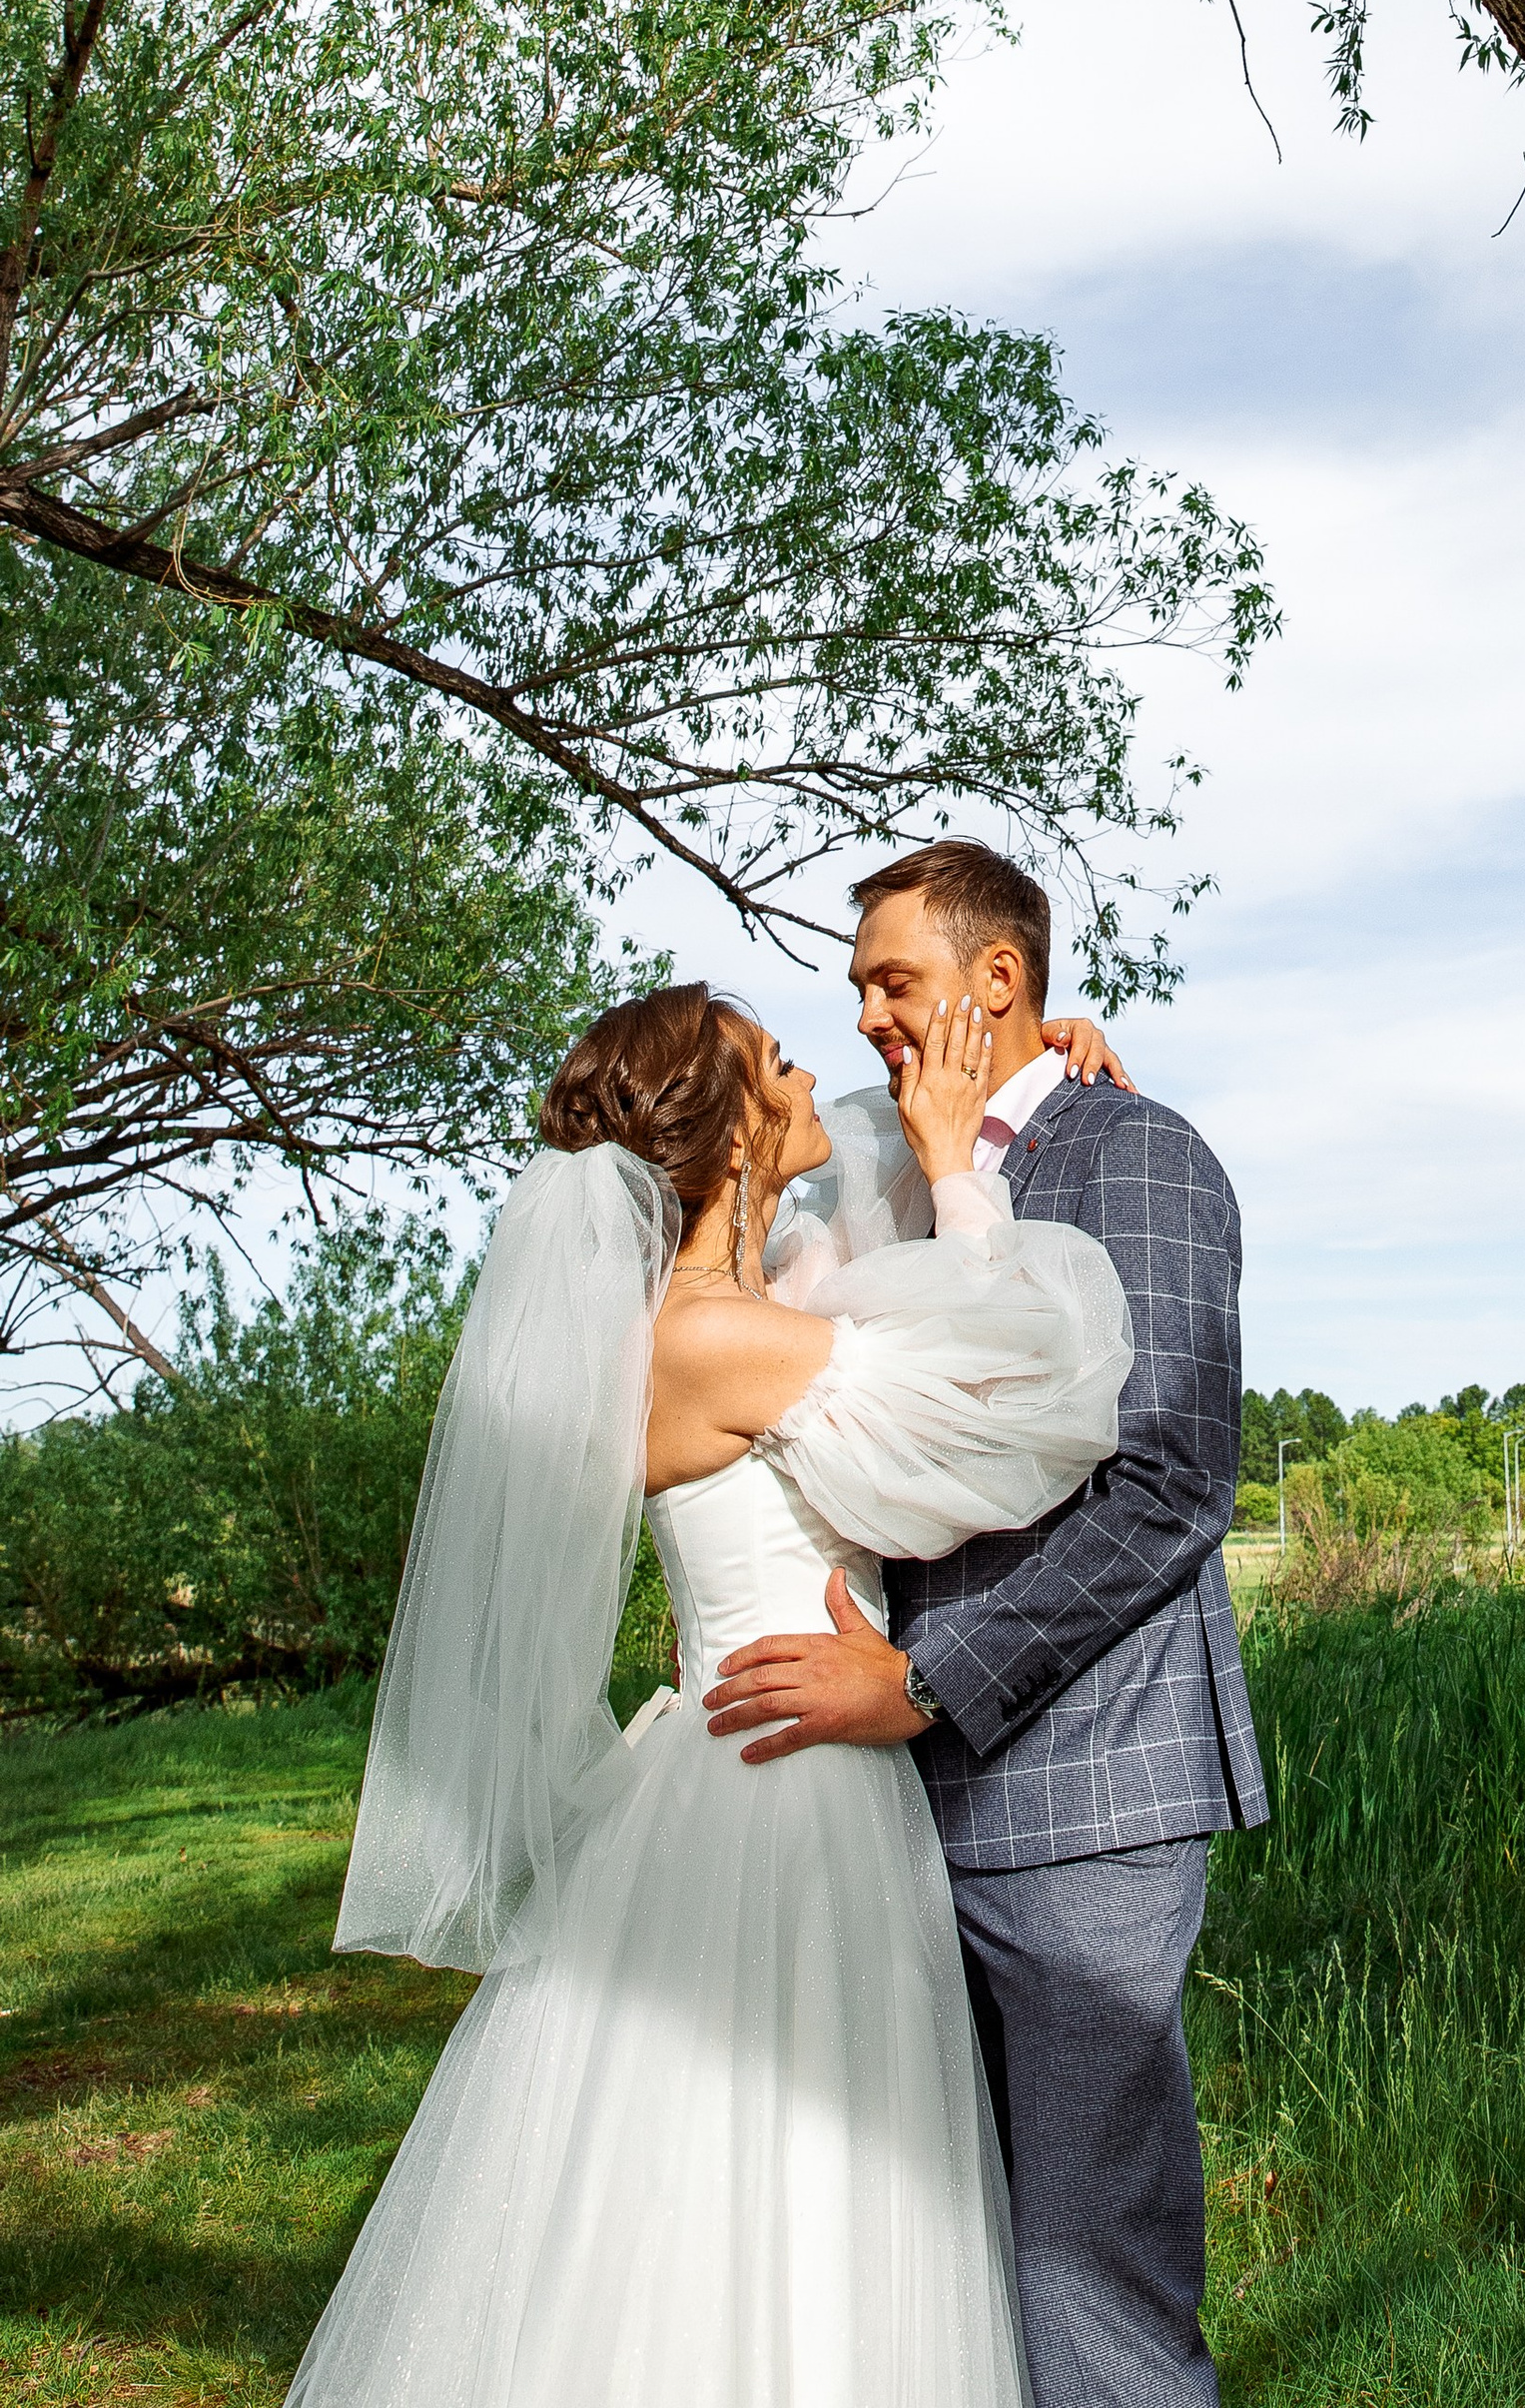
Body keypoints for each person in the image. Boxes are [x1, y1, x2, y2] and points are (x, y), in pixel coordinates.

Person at [286, 977, 1133, 2408]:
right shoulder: (715, 1340)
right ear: (735, 1133)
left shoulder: (750, 1296)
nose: (810, 1083)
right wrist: (956, 1166)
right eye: (781, 1066)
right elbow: (1029, 1393)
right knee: (783, 2177)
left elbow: (856, 1150)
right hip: (788, 1795)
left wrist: (1025, 1056)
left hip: (736, 1765)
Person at [702, 842, 1267, 2408]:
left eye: (895, 981)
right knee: (928, 2256)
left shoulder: (1139, 1155)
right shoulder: (884, 1166)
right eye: (859, 990)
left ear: (997, 978)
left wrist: (925, 1680)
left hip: (1083, 1799)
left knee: (1084, 2268)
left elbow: (1168, 1483)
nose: (869, 1016)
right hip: (882, 1809)